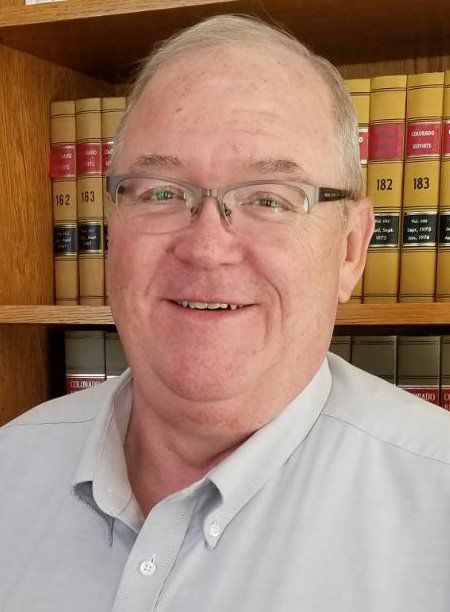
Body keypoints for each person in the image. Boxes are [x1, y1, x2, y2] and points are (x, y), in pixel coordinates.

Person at [1, 14, 450, 612]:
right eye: (161, 192)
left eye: (269, 198)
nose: (207, 248)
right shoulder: (10, 467)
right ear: (111, 226)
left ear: (350, 248)